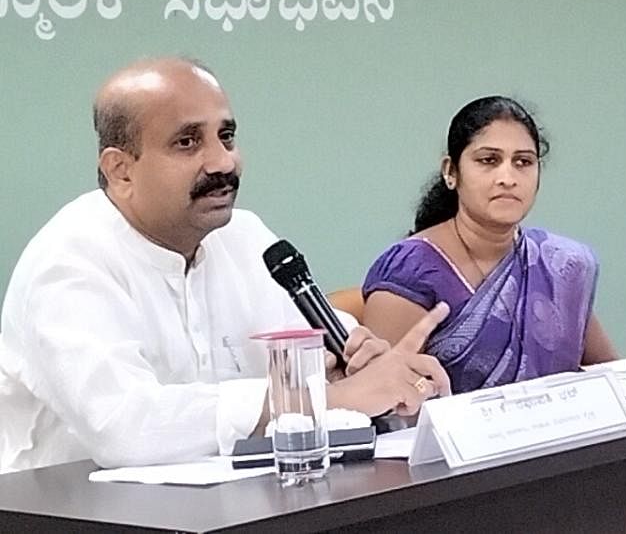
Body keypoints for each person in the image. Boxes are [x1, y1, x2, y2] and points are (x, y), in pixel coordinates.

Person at [0, 58, 450, 474]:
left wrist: (361, 368)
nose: (223, 161)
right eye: (187, 142)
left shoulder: (245, 239)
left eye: (227, 136)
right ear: (121, 170)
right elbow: (126, 427)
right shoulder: (68, 260)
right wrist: (323, 398)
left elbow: (319, 354)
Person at [361, 96, 618, 393]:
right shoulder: (410, 270)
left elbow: (607, 375)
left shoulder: (559, 265)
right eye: (489, 161)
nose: (507, 178)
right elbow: (383, 406)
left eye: (523, 162)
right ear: (451, 172)